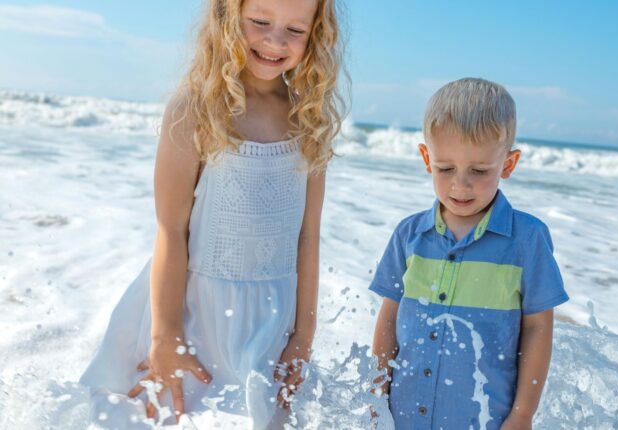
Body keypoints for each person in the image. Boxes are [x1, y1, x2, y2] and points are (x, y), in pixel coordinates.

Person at [79, 0, 345, 428]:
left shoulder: (309, 119)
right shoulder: (195, 109)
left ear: (316, 33)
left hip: (271, 322)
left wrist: (303, 338)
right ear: (228, 16)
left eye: (296, 30)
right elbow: (171, 230)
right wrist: (165, 337)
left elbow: (308, 236)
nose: (276, 41)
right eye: (260, 22)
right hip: (191, 317)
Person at [370, 78, 568, 429]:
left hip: (483, 419)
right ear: (426, 158)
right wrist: (375, 391)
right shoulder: (409, 234)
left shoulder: (527, 239)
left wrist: (523, 414)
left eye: (479, 171)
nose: (461, 185)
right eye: (445, 169)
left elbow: (538, 327)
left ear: (508, 165)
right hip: (403, 416)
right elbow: (389, 317)